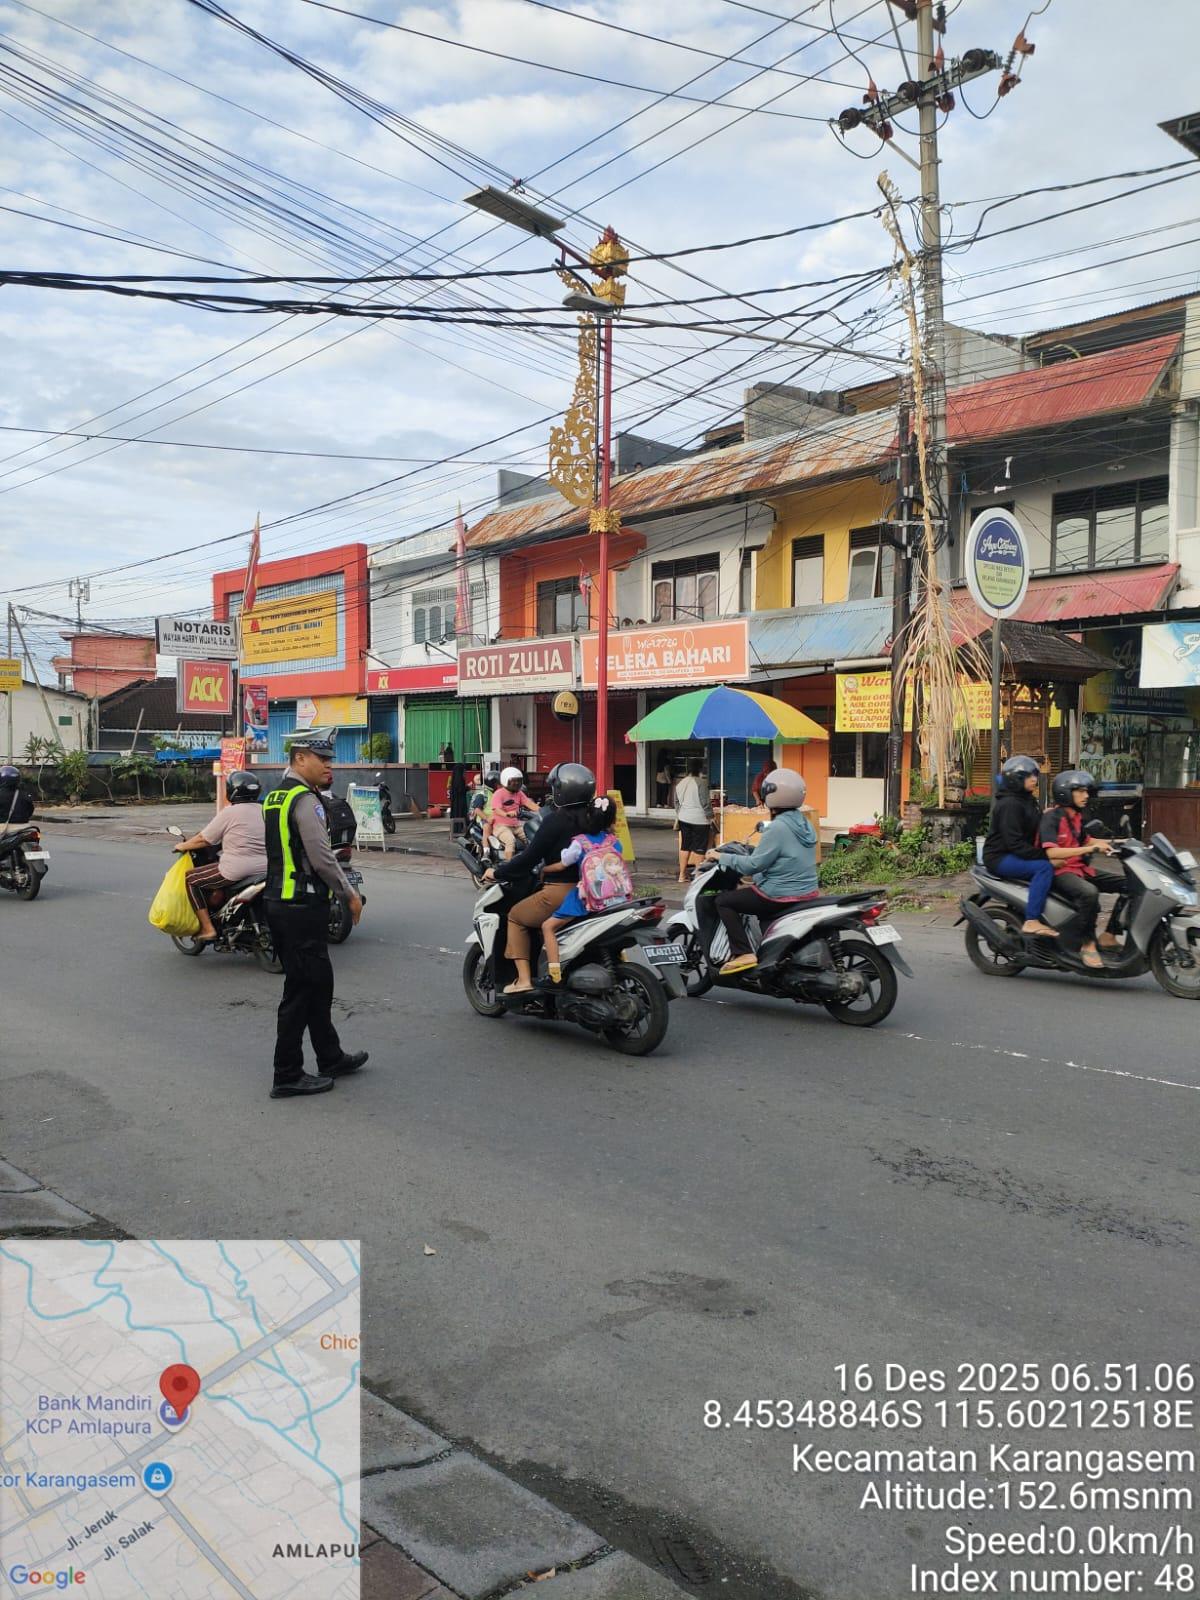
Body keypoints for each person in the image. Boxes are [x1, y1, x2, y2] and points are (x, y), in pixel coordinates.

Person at [261, 735, 366, 1101]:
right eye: (321, 759)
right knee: (302, 990)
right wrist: (348, 895)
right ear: (300, 758)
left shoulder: (276, 794)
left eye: (330, 759)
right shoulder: (305, 799)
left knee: (319, 984)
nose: (329, 765)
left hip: (281, 900)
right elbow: (322, 857)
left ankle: (330, 1056)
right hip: (300, 905)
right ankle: (286, 1073)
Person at [483, 762, 599, 994]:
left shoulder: (556, 821)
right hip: (596, 891)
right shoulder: (595, 817)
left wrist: (497, 872)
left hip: (562, 892)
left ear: (560, 791)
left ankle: (525, 980)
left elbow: (529, 858)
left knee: (515, 917)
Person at [703, 767, 819, 976]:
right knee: (756, 905)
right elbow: (783, 853)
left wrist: (720, 856)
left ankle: (744, 953)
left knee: (724, 901)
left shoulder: (778, 828)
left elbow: (753, 865)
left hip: (778, 894)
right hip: (807, 891)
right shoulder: (804, 823)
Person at [172, 770, 268, 942]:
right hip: (265, 868)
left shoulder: (229, 812)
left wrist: (182, 845)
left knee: (191, 878)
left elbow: (204, 838)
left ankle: (208, 929)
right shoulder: (265, 810)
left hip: (237, 869)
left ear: (232, 791)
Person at [541, 797, 624, 983]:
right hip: (617, 898)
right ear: (612, 820)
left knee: (548, 926)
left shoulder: (580, 842)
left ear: (588, 816)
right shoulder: (615, 842)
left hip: (587, 899)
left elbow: (562, 864)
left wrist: (544, 870)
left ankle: (554, 976)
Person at [982, 753, 1057, 938]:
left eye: (1034, 775)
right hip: (1000, 857)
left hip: (1013, 852)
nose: (1034, 780)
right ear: (1016, 780)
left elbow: (1033, 822)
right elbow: (1014, 843)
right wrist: (1045, 855)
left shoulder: (1026, 799)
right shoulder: (1010, 804)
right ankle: (1032, 920)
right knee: (1044, 868)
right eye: (1029, 776)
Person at [674, 755, 712, 884]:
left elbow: (676, 802)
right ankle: (698, 876)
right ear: (700, 768)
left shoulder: (680, 783)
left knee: (685, 846)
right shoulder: (701, 782)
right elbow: (705, 802)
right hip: (700, 820)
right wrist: (711, 816)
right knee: (699, 847)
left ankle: (682, 875)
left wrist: (681, 813)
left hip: (684, 819)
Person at [490, 766, 536, 860]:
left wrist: (544, 810)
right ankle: (509, 866)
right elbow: (497, 809)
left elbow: (529, 803)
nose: (516, 783)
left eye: (518, 781)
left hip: (516, 825)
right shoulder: (499, 793)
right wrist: (506, 814)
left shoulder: (519, 793)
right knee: (510, 841)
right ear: (505, 781)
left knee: (533, 837)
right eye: (514, 781)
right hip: (501, 826)